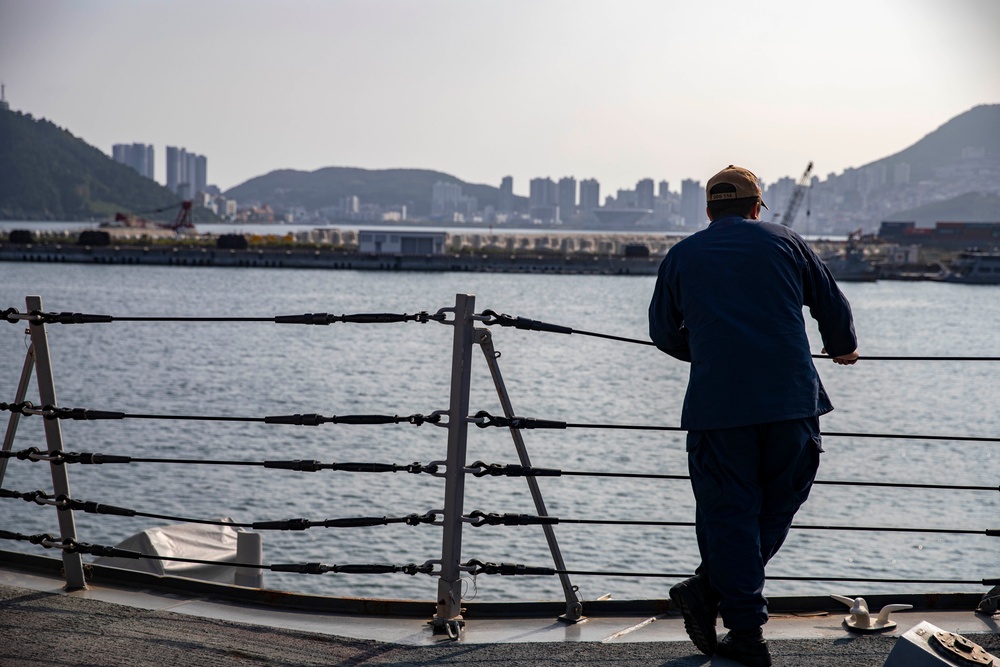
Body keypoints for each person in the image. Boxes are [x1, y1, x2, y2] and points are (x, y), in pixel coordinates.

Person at [648, 165, 858, 667]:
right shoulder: (787, 241)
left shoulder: (682, 255)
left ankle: (741, 625)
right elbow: (830, 303)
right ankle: (716, 598)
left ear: (707, 210)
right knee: (778, 504)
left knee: (729, 514)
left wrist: (709, 351)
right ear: (755, 206)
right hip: (792, 402)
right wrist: (843, 347)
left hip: (719, 408)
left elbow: (663, 331)